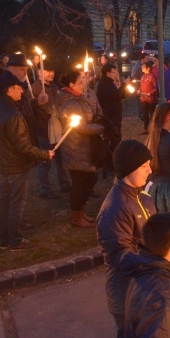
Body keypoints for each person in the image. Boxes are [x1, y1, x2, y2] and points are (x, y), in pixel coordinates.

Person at [96, 140, 155, 338]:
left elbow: (151, 235)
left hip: (144, 288)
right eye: (144, 166)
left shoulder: (142, 196)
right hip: (127, 295)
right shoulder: (115, 208)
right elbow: (123, 257)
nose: (149, 170)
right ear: (129, 168)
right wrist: (161, 263)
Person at [0, 74, 54, 251]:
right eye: (19, 88)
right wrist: (44, 154)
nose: (22, 91)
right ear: (10, 90)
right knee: (16, 203)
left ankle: (4, 240)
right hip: (15, 166)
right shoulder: (13, 115)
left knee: (4, 201)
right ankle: (16, 241)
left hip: (2, 164)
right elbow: (22, 146)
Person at [56, 71, 106, 228]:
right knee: (80, 182)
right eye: (80, 82)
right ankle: (76, 216)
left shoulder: (80, 97)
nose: (83, 84)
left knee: (90, 178)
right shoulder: (68, 102)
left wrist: (98, 116)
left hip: (85, 146)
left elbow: (94, 111)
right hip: (75, 148)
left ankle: (81, 212)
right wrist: (101, 127)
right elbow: (81, 127)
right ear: (71, 85)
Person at [30, 61, 71, 199]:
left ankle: (65, 184)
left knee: (61, 158)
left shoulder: (55, 88)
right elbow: (30, 110)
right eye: (48, 71)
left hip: (57, 128)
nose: (52, 73)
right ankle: (45, 189)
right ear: (39, 73)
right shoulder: (34, 89)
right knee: (45, 160)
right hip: (44, 130)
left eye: (52, 71)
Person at [95, 62, 131, 138]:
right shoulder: (105, 84)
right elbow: (116, 95)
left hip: (115, 115)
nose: (115, 74)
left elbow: (119, 96)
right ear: (107, 73)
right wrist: (124, 84)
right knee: (114, 137)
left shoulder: (110, 83)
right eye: (113, 72)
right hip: (110, 115)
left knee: (117, 135)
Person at [138, 60, 158, 135]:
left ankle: (153, 129)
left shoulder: (152, 77)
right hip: (143, 98)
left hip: (151, 99)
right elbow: (141, 86)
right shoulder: (143, 77)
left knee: (152, 114)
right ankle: (145, 128)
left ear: (148, 68)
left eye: (143, 67)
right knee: (145, 114)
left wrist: (151, 93)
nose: (142, 68)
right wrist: (139, 90)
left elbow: (156, 87)